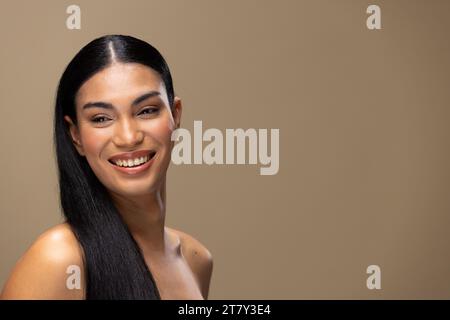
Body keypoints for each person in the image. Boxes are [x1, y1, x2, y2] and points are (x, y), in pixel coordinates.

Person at [1, 35, 213, 300]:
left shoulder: (196, 260)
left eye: (146, 111)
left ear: (176, 113)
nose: (128, 137)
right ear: (75, 135)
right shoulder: (58, 260)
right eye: (101, 118)